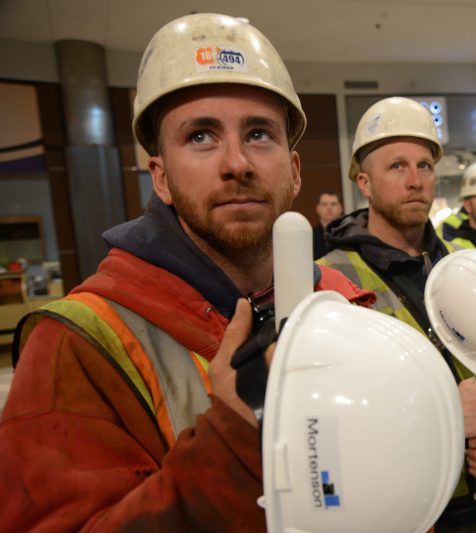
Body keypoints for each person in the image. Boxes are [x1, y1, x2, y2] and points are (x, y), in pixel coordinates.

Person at [0, 13, 374, 531]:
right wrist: (234, 439)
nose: (237, 162)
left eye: (259, 133)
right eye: (201, 136)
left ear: (293, 170)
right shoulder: (78, 344)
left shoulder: (344, 301)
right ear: (162, 178)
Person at [318, 96, 476, 533]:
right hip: (406, 510)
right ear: (364, 182)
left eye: (424, 165)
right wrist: (441, 416)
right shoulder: (329, 281)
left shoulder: (469, 261)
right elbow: (326, 429)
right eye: (397, 166)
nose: (416, 180)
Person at [312, 191, 343, 259]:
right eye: (324, 204)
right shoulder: (310, 236)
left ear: (340, 208)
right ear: (318, 208)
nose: (329, 207)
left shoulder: (348, 234)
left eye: (333, 204)